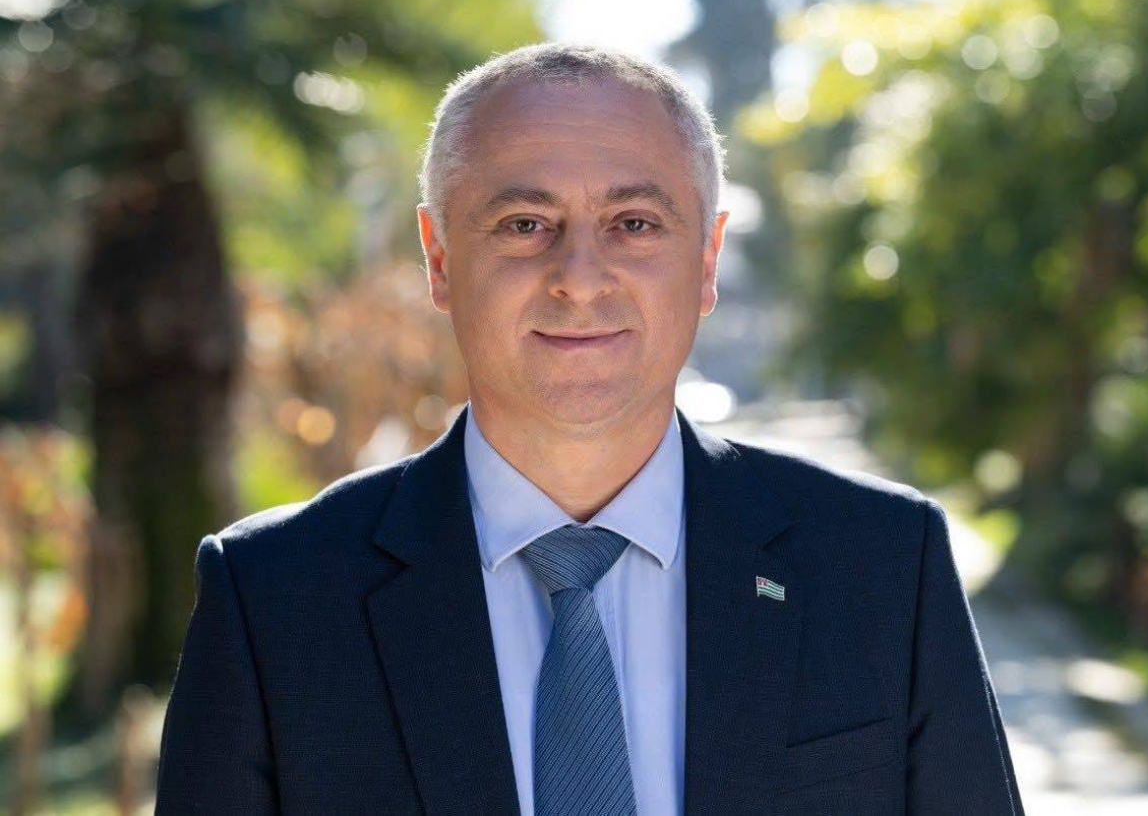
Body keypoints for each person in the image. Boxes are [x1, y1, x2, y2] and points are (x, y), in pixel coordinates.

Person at [155, 42, 1024, 815]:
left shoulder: (884, 566)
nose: (579, 276)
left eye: (633, 224)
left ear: (708, 258)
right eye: (525, 224)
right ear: (440, 258)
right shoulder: (273, 600)